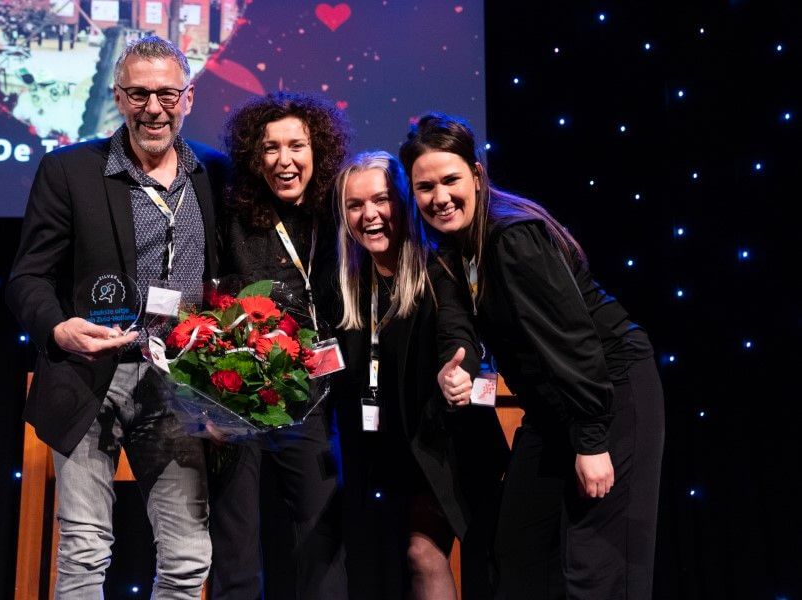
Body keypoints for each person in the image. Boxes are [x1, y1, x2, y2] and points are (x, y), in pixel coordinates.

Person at [399, 113, 665, 600]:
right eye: (425, 186)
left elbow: (573, 341)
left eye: (451, 180)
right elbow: (457, 325)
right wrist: (457, 368)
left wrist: (591, 440)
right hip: (550, 404)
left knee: (597, 559)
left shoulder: (511, 237)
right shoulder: (449, 250)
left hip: (608, 386)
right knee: (518, 547)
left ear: (477, 174)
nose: (439, 197)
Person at [6, 35, 228, 599]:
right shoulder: (69, 171)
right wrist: (58, 328)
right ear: (118, 96)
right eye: (138, 94)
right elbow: (27, 277)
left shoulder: (214, 175)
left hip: (178, 381)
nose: (153, 108)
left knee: (186, 558)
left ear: (189, 98)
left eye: (167, 95)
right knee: (84, 551)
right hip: (89, 377)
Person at [332, 151, 507, 599]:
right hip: (401, 454)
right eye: (355, 205)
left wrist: (459, 374)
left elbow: (458, 339)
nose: (369, 215)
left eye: (381, 200)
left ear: (404, 204)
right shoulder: (351, 286)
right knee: (415, 558)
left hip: (452, 445)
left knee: (439, 557)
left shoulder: (438, 269)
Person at [209, 91, 349, 599]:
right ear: (253, 156)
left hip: (311, 398)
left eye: (297, 146)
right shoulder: (231, 216)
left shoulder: (339, 215)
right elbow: (205, 302)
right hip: (239, 395)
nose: (284, 160)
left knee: (321, 536)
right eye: (270, 148)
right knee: (235, 541)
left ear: (319, 152)